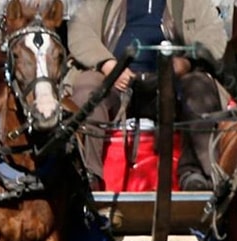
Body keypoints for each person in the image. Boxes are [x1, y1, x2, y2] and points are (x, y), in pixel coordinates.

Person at [66, 0, 227, 191]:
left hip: (171, 83)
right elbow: (80, 30)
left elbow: (214, 35)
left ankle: (196, 174)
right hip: (116, 82)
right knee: (87, 87)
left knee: (200, 87)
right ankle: (89, 174)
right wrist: (107, 65)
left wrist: (186, 62)